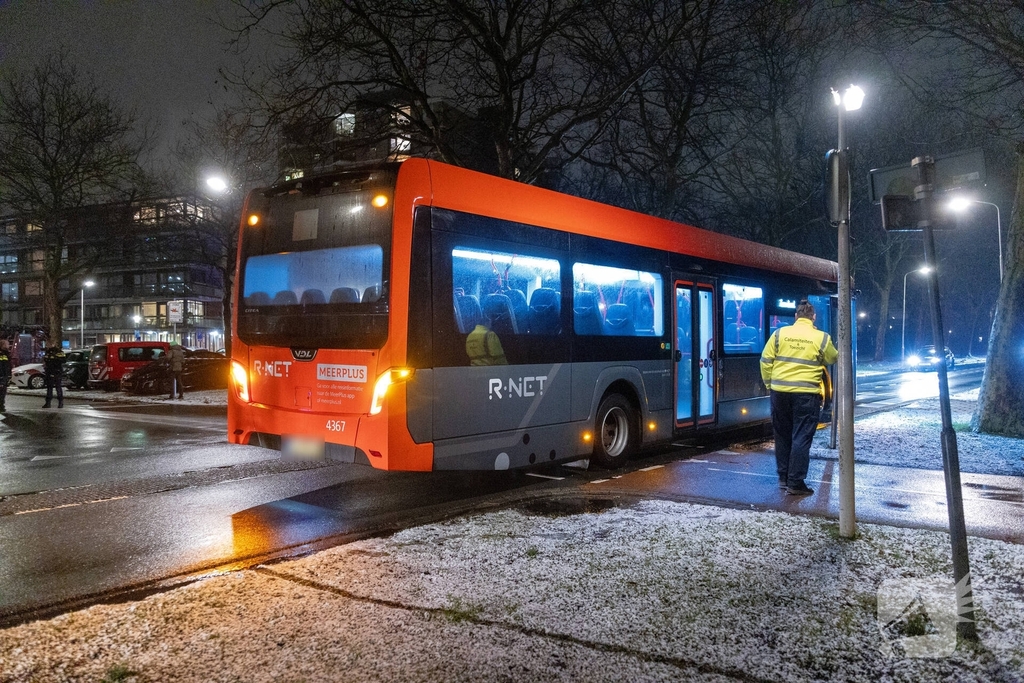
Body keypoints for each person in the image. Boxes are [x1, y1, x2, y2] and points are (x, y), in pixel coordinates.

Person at [760, 300, 838, 496]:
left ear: (795, 317)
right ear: (813, 318)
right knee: (801, 436)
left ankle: (783, 478)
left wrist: (770, 384)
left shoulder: (779, 334)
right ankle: (795, 482)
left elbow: (765, 361)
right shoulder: (821, 337)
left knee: (782, 435)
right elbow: (832, 358)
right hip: (806, 395)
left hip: (780, 393)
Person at [42, 343, 66, 409]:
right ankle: (48, 403)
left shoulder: (59, 352)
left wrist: (54, 358)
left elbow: (63, 360)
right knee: (49, 388)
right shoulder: (48, 352)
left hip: (57, 371)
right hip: (49, 371)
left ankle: (60, 402)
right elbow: (45, 360)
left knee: (58, 387)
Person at [0, 339, 11, 413]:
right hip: (2, 377)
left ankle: (1, 405)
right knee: (1, 392)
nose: (8, 345)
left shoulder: (6, 354)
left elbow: (8, 366)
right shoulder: (2, 354)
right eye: (7, 344)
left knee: (3, 392)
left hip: (5, 376)